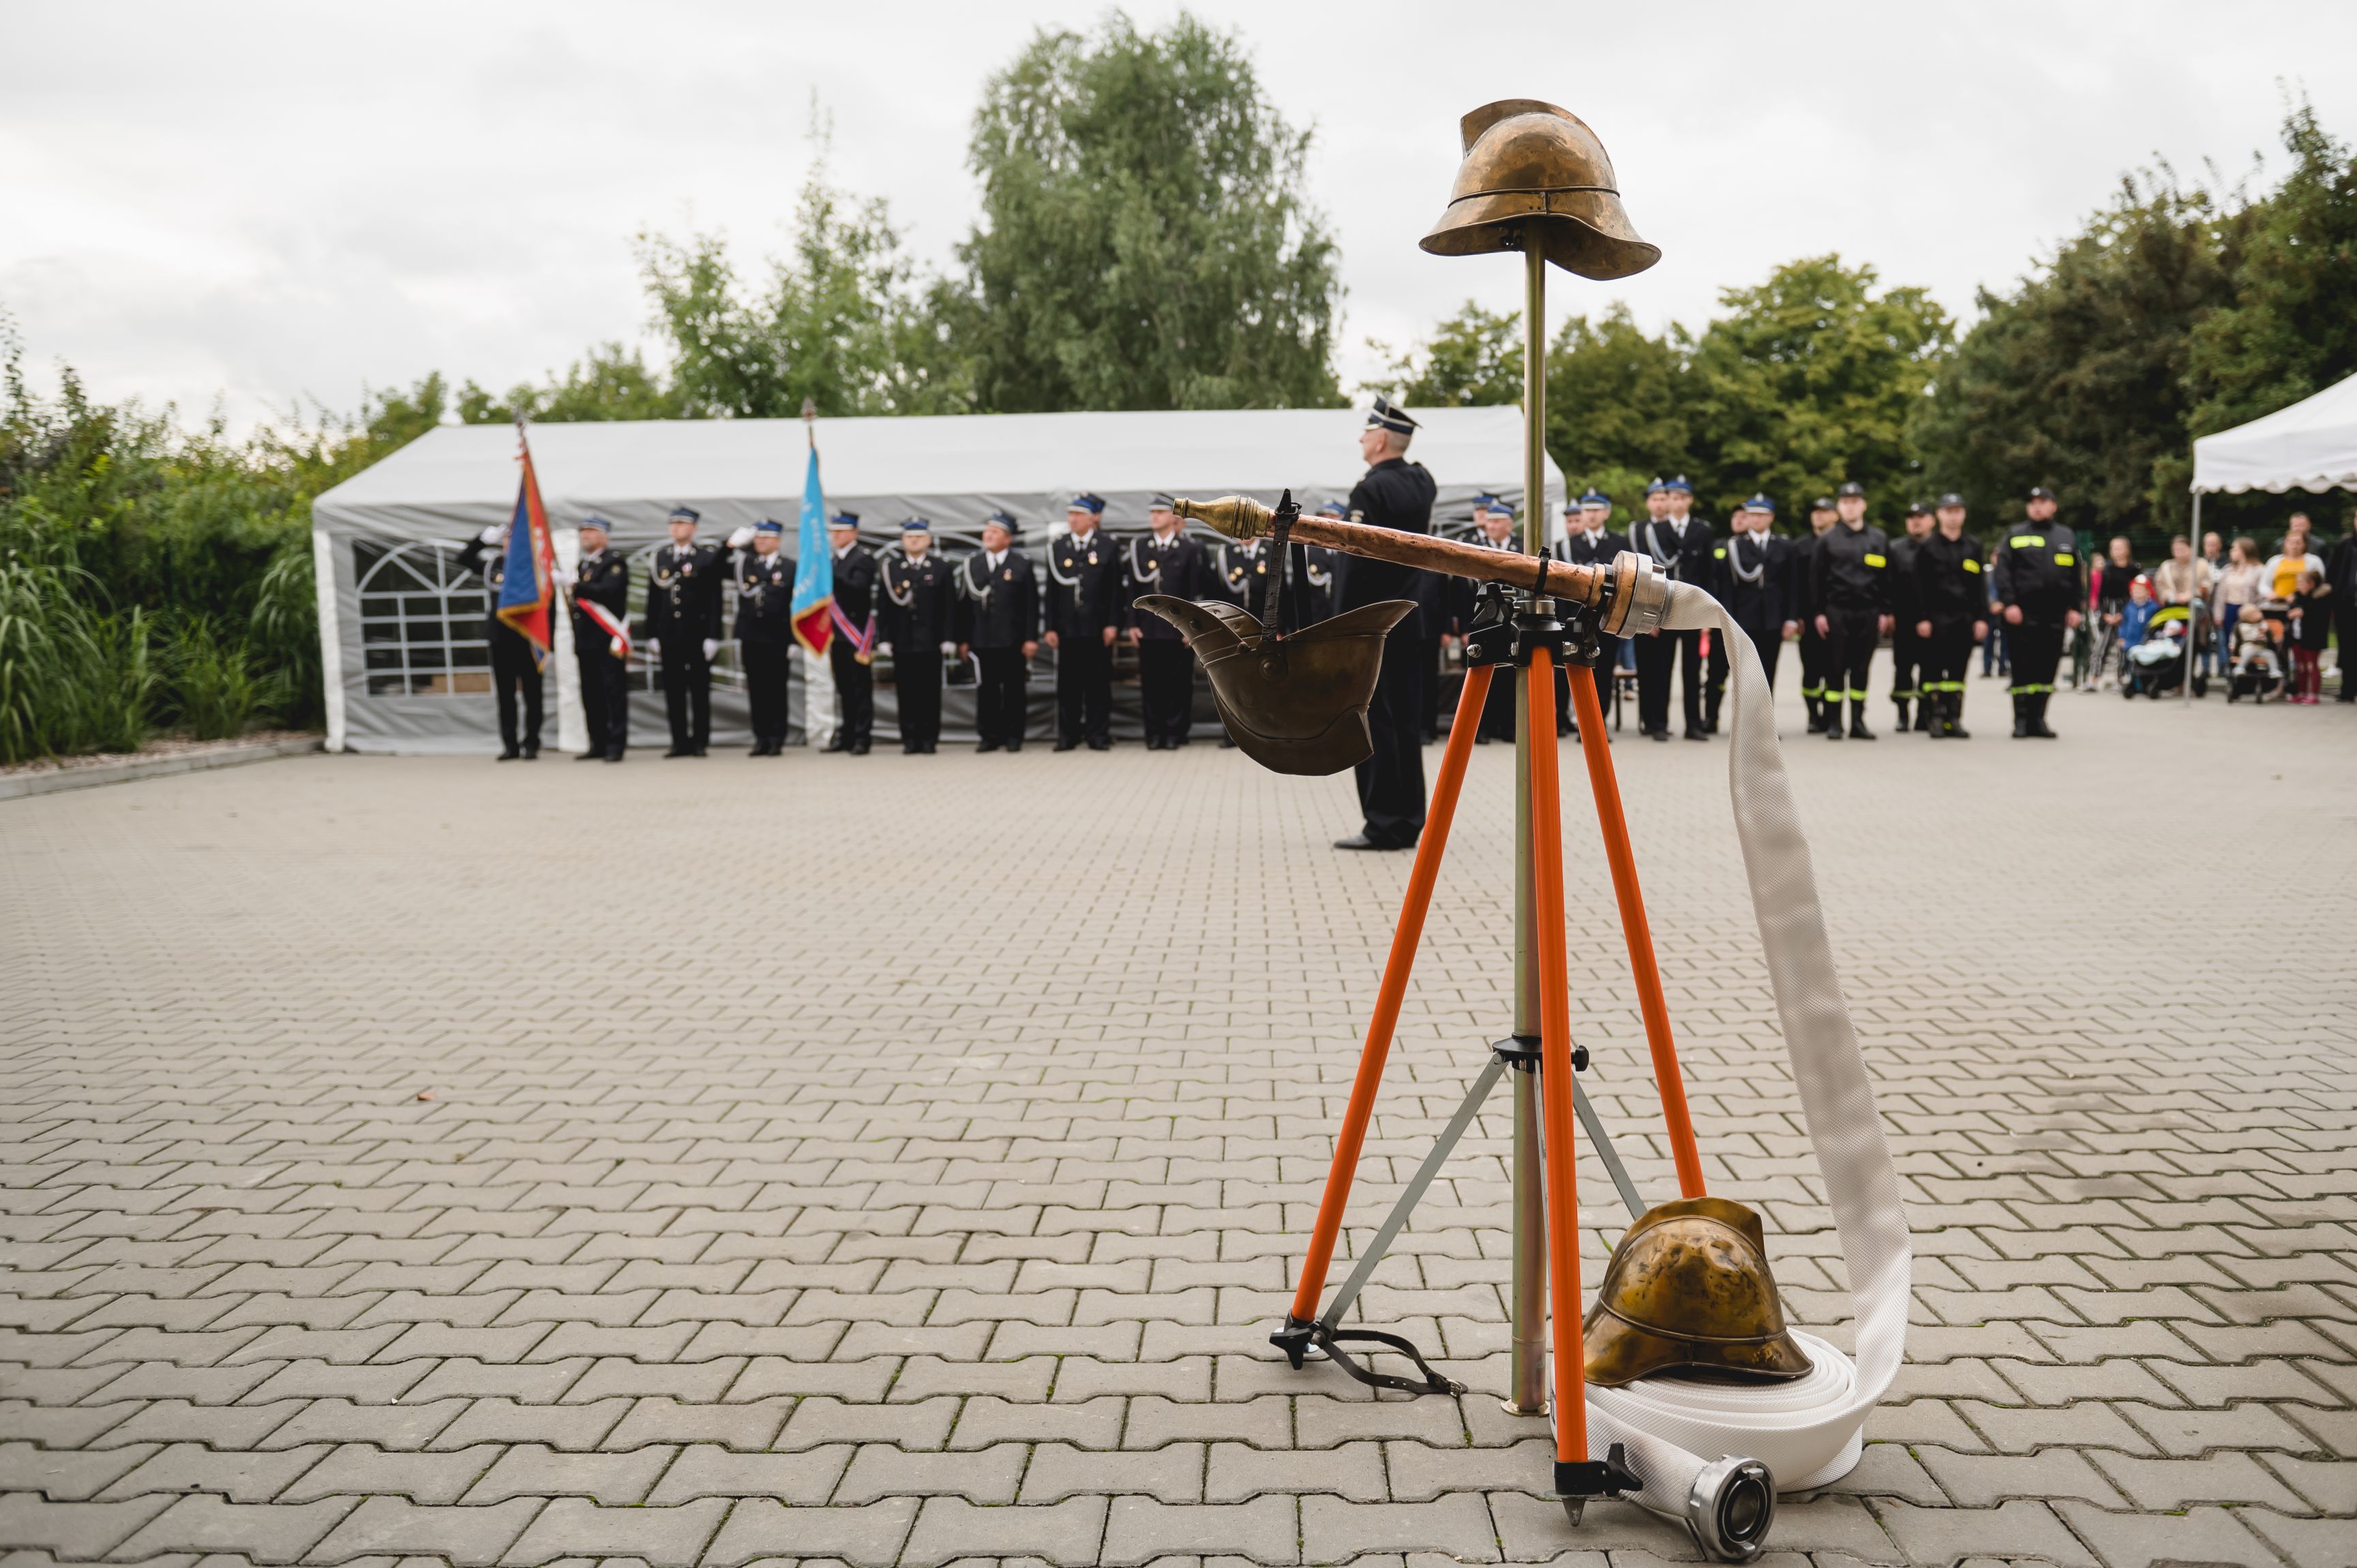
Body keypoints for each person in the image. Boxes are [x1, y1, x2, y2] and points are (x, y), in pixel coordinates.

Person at [1334, 396, 1436, 852]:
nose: (1359, 438)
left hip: (1371, 623)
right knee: (1406, 721)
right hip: (1410, 617)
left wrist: (1339, 625)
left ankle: (1381, 824)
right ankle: (1411, 817)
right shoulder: (1422, 482)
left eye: (1364, 432)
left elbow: (1355, 564)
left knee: (1372, 721)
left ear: (1379, 440)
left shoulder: (1368, 491)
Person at [1990, 485, 2084, 738]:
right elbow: (2003, 572)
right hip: (2022, 613)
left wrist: (2076, 607)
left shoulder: (2066, 536)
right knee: (2022, 666)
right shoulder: (2016, 534)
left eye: (2042, 502)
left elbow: (2075, 576)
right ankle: (2021, 720)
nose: (2037, 506)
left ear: (2053, 506)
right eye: (2032, 503)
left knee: (2047, 667)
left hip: (2054, 614)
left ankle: (2039, 719)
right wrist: (2009, 603)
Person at [1631, 475, 1715, 741]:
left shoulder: (1703, 531)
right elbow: (1647, 577)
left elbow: (1708, 574)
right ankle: (1659, 723)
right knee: (1661, 668)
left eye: (1682, 498)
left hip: (1691, 608)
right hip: (1664, 608)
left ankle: (1693, 724)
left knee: (1692, 669)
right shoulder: (1655, 531)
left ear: (1690, 500)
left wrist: (1708, 614)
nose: (1677, 503)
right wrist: (1649, 614)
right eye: (1672, 498)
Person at [1810, 481, 1892, 740]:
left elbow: (1887, 580)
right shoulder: (1827, 540)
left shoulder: (1878, 539)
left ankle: (1858, 721)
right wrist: (1819, 613)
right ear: (1839, 507)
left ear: (1864, 505)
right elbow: (1816, 579)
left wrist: (1885, 612)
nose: (1850, 506)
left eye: (1855, 501)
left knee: (1861, 667)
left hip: (1868, 612)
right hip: (1837, 611)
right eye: (1845, 502)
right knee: (1835, 667)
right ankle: (1834, 722)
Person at [1126, 494, 1208, 749]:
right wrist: (1132, 623)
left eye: (1160, 512)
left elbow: (1196, 590)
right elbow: (1131, 589)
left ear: (1174, 518)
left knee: (1178, 683)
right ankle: (1154, 732)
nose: (1154, 517)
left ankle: (1175, 732)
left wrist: (1192, 627)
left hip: (1177, 628)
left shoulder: (1188, 549)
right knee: (1151, 684)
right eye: (1152, 512)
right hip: (1148, 628)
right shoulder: (1140, 547)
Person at [456, 522, 543, 759]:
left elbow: (548, 607)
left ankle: (532, 743)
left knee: (533, 695)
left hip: (528, 638)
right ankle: (510, 745)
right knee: (506, 696)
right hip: (500, 638)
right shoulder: (495, 564)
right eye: (507, 539)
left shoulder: (535, 567)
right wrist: (481, 540)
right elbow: (463, 559)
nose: (510, 544)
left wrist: (549, 643)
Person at [644, 505, 723, 757]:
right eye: (672, 524)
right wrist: (651, 634)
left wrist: (713, 635)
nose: (675, 528)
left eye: (681, 524)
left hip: (697, 634)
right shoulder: (661, 558)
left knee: (699, 690)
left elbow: (714, 598)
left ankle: (700, 741)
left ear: (693, 528)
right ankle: (679, 741)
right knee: (674, 690)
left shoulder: (705, 557)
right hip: (669, 635)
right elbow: (654, 599)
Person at [1044, 494, 1121, 751]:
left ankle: (1097, 734)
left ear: (1091, 519)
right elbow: (1052, 591)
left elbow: (1114, 590)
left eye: (1078, 515)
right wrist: (1050, 626)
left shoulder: (1107, 545)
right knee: (1068, 685)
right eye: (1070, 514)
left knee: (1098, 684)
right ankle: (1068, 735)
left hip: (1097, 628)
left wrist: (1112, 623)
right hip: (1067, 628)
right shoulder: (1059, 546)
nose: (1073, 519)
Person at [960, 511, 1040, 753]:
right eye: (987, 531)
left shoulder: (1021, 564)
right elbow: (964, 604)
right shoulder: (973, 563)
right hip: (982, 640)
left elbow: (1031, 605)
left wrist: (1030, 638)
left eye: (995, 532)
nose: (988, 535)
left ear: (1008, 538)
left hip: (1012, 640)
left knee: (1014, 690)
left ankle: (1014, 736)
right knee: (987, 691)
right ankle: (989, 736)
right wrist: (963, 639)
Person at [878, 518, 955, 754]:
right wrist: (884, 638)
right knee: (906, 692)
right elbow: (883, 606)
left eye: (919, 537)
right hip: (903, 641)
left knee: (930, 692)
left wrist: (949, 637)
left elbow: (949, 606)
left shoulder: (941, 567)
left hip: (931, 641)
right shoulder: (891, 568)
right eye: (909, 537)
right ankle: (910, 739)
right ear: (902, 541)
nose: (914, 540)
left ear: (928, 540)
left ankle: (929, 738)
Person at [1913, 493, 1985, 738]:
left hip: (1964, 617)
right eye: (1948, 511)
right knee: (1933, 671)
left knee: (1958, 671)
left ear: (1963, 514)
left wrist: (1981, 618)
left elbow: (1980, 587)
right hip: (1935, 618)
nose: (1953, 516)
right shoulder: (1928, 547)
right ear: (1939, 515)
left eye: (1958, 511)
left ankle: (1953, 718)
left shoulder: (1973, 547)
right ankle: (1934, 717)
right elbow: (1919, 587)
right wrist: (1921, 617)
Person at [721, 518, 796, 756]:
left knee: (776, 689)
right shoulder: (746, 563)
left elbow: (798, 605)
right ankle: (761, 737)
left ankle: (777, 738)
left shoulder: (790, 567)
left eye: (766, 537)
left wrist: (795, 640)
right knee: (756, 689)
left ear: (778, 540)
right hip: (751, 636)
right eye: (758, 537)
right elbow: (713, 568)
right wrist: (730, 545)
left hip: (778, 636)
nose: (761, 541)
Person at [1717, 496, 1798, 702]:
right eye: (1752, 514)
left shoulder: (1784, 546)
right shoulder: (1735, 546)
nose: (1756, 519)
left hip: (1773, 617)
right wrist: (1728, 619)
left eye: (1761, 515)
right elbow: (1728, 587)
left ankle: (1766, 726)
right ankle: (1746, 726)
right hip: (1744, 618)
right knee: (1745, 675)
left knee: (1768, 672)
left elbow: (1792, 585)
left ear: (1771, 517)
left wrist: (1791, 619)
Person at [1457, 496, 1523, 744]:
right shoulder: (1475, 549)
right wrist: (1465, 626)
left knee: (1509, 676)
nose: (1491, 526)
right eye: (1489, 522)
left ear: (1509, 524)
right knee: (1483, 672)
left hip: (1513, 621)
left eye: (1497, 522)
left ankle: (1508, 727)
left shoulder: (1521, 548)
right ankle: (1481, 728)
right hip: (1482, 620)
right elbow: (1462, 593)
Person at [1555, 489, 1626, 719]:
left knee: (1603, 670)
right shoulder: (1567, 545)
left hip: (1607, 616)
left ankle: (1598, 721)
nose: (1592, 516)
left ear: (1606, 513)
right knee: (1571, 667)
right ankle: (1566, 719)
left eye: (1597, 510)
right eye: (1588, 511)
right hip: (1575, 616)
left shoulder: (1620, 544)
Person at [565, 516, 629, 763]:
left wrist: (575, 586)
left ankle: (616, 744)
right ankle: (597, 743)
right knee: (591, 693)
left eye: (591, 532)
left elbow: (607, 592)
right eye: (583, 532)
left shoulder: (614, 562)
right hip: (586, 641)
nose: (586, 536)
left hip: (608, 640)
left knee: (613, 692)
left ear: (604, 536)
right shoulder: (583, 566)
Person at [824, 512, 877, 755]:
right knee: (843, 688)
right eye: (833, 531)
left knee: (860, 688)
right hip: (837, 633)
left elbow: (858, 588)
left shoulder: (863, 558)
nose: (835, 535)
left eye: (841, 530)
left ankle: (862, 736)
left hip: (856, 633)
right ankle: (846, 733)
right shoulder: (833, 560)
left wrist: (830, 576)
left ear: (854, 533)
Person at [1886, 500, 1934, 732]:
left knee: (1929, 668)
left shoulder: (1938, 547)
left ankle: (1924, 716)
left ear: (1932, 521)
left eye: (1921, 516)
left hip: (1932, 621)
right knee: (1903, 669)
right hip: (1903, 620)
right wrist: (1888, 612)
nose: (1916, 521)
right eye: (1911, 517)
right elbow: (1887, 583)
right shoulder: (1895, 548)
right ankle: (1903, 715)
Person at [1795, 496, 1838, 732]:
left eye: (1824, 511)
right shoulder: (1800, 546)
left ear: (1835, 515)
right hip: (1808, 619)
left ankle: (1832, 716)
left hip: (1837, 615)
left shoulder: (1841, 543)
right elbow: (1794, 585)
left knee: (1834, 667)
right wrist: (1797, 615)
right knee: (1811, 670)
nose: (1818, 515)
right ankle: (1813, 715)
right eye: (1815, 511)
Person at [2211, 537, 2266, 691]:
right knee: (2230, 644)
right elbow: (2220, 594)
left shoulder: (2259, 570)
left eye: (2235, 548)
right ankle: (2232, 674)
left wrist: (2256, 613)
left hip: (2248, 611)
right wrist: (2218, 614)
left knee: (2247, 642)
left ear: (2245, 551)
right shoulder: (2228, 570)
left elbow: (2261, 594)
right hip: (2229, 610)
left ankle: (2249, 676)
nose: (2231, 552)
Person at [2090, 535, 2140, 689]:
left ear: (2127, 550)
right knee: (2101, 646)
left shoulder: (2134, 569)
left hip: (2127, 610)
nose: (2116, 551)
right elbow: (2101, 595)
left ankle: (2120, 679)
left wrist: (2123, 614)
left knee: (2122, 647)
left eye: (2119, 548)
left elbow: (2136, 592)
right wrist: (2105, 614)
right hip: (2108, 610)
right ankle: (2093, 680)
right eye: (2113, 548)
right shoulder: (2107, 570)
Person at [2290, 562, 2332, 703]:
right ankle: (2301, 692)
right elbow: (2290, 613)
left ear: (2311, 584)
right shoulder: (2297, 597)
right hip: (2298, 637)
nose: (2298, 586)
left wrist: (2303, 613)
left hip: (2313, 638)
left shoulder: (2320, 600)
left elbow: (2318, 617)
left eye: (2301, 583)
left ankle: (2314, 694)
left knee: (2311, 665)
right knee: (2300, 666)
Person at [2329, 521, 2357, 702]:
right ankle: (2348, 690)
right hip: (2346, 605)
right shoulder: (2344, 544)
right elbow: (2332, 573)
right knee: (2347, 648)